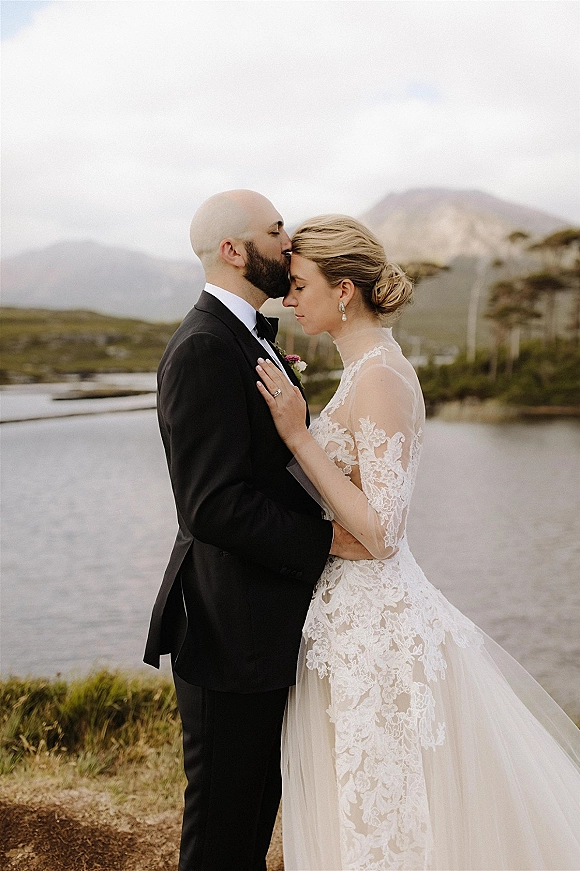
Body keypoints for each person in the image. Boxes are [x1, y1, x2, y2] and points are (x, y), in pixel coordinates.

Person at [256, 214, 580, 870]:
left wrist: (297, 436)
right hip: (350, 620)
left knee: (382, 809)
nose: (289, 301)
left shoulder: (380, 376)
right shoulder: (366, 369)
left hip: (375, 624)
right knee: (366, 801)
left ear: (343, 289)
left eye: (298, 285)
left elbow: (381, 530)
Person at [143, 191, 369, 871]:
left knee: (248, 824)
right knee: (221, 834)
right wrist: (330, 540)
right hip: (226, 633)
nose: (289, 244)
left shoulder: (244, 336)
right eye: (276, 232)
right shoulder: (204, 347)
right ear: (233, 251)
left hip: (259, 627)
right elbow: (211, 505)